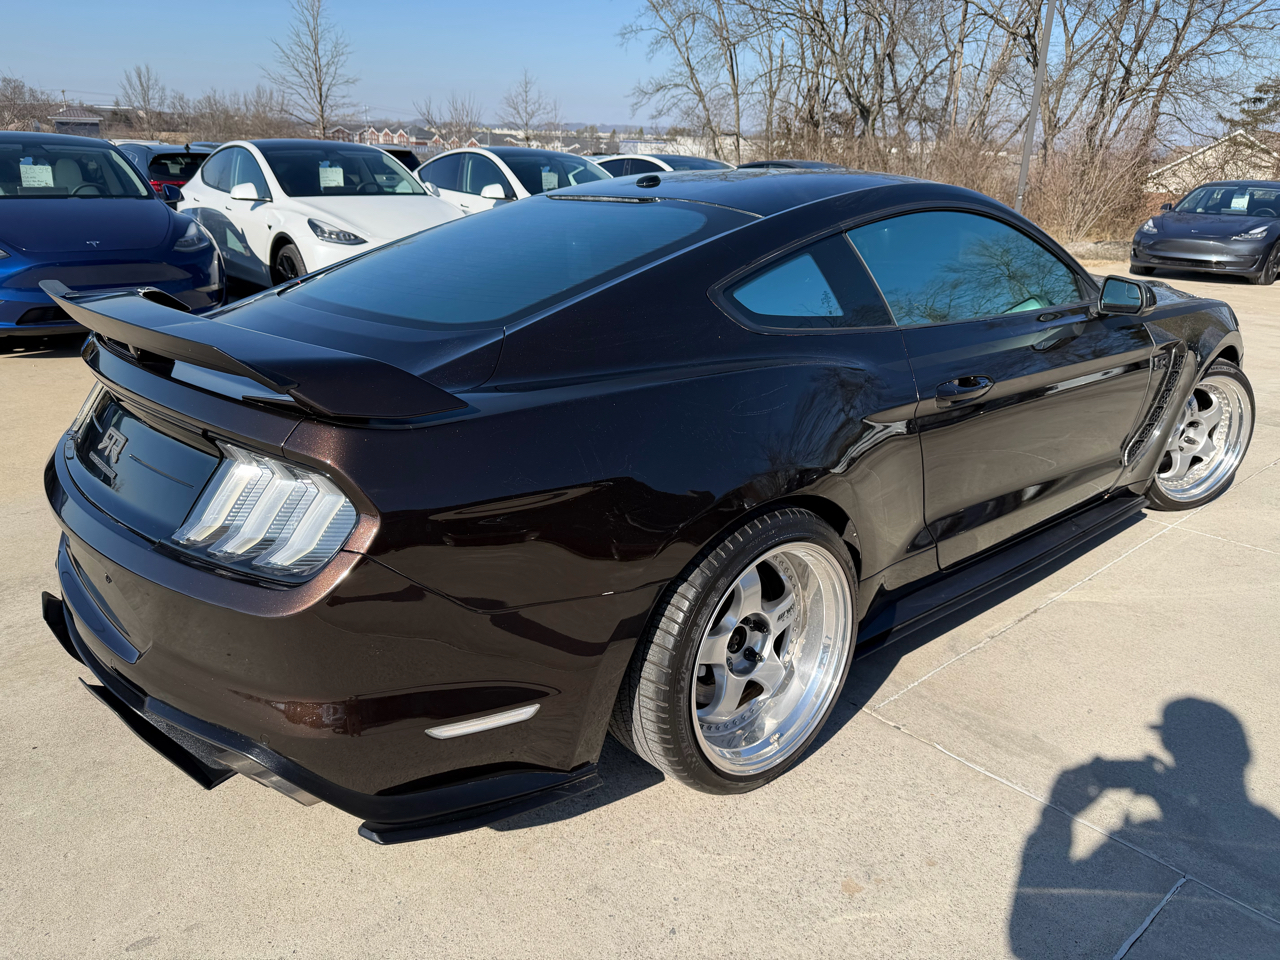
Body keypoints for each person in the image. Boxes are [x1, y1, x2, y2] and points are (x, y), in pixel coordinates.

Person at [1009, 699, 1280, 957]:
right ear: (1243, 755)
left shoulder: (1147, 832)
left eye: (1169, 741)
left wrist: (1058, 811)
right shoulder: (1267, 834)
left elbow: (1027, 936)